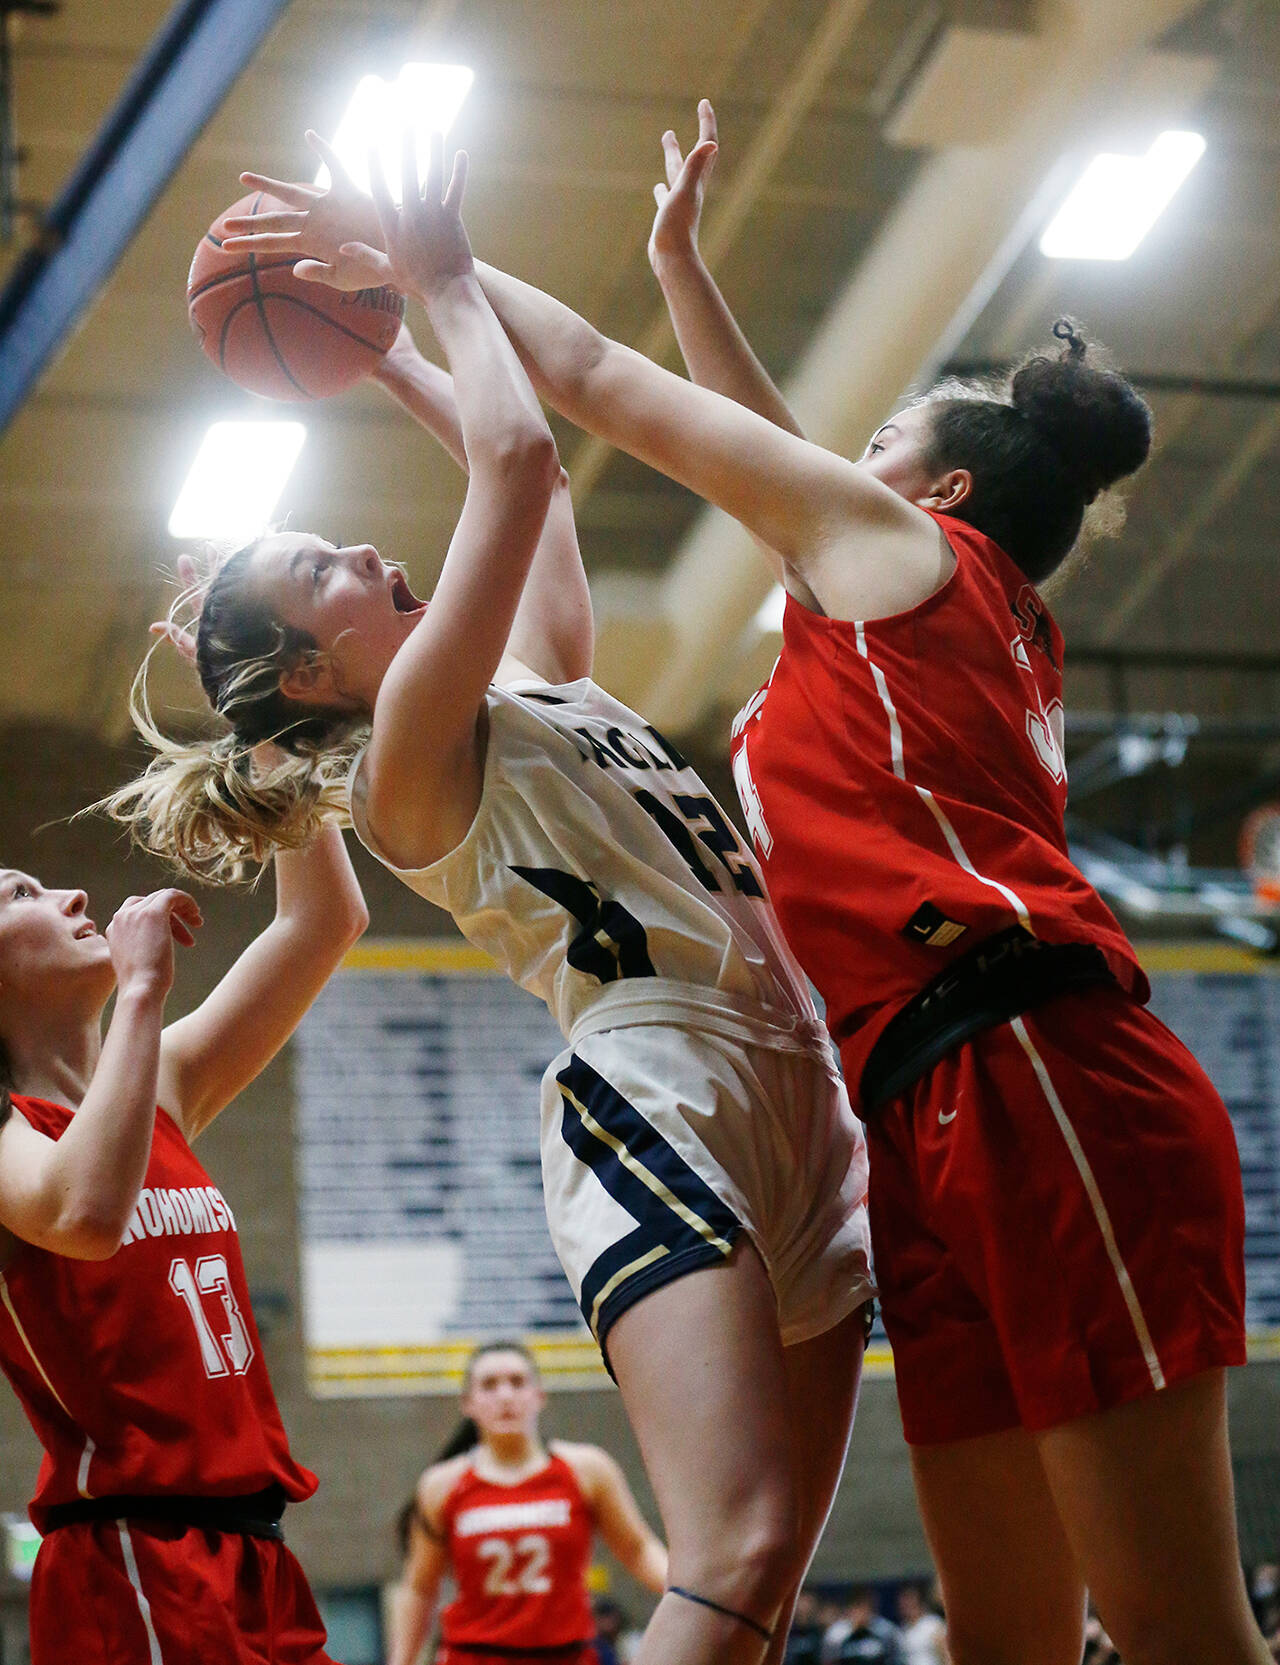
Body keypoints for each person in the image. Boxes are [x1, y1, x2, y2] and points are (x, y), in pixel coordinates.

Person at [210, 100, 1269, 1665]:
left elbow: (577, 429)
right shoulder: (886, 592)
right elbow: (639, 455)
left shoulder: (888, 569)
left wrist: (426, 273)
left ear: (937, 499)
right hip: (868, 1081)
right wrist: (531, 295)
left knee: (1149, 1625)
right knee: (941, 1618)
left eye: (874, 450)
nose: (830, 460)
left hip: (998, 1051)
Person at [109, 132, 874, 1665]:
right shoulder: (409, 761)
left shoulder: (526, 680)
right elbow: (521, 464)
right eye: (330, 562)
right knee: (724, 1561)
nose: (371, 545)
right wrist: (433, 278)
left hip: (797, 1075)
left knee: (772, 1574)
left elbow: (530, 503)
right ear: (319, 671)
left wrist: (384, 347)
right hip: (657, 1085)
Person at [0, 754, 367, 1661]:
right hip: (131, 1555)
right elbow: (82, 1212)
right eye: (20, 895)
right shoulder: (11, 1131)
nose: (73, 894)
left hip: (256, 1552)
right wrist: (138, 990)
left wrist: (271, 723)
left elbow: (325, 920)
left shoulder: (159, 1087)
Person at [388, 1340, 665, 1665]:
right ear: (467, 1403)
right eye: (489, 1385)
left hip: (567, 1656)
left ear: (539, 1395)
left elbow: (637, 1549)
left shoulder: (587, 1469)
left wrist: (700, 1592)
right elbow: (420, 1587)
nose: (505, 1396)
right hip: (476, 1656)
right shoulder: (443, 1484)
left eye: (517, 1382)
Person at [894, 1584, 947, 1665]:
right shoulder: (903, 1630)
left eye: (910, 1602)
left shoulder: (933, 1624)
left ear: (919, 1602)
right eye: (903, 1604)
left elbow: (945, 1654)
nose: (906, 1606)